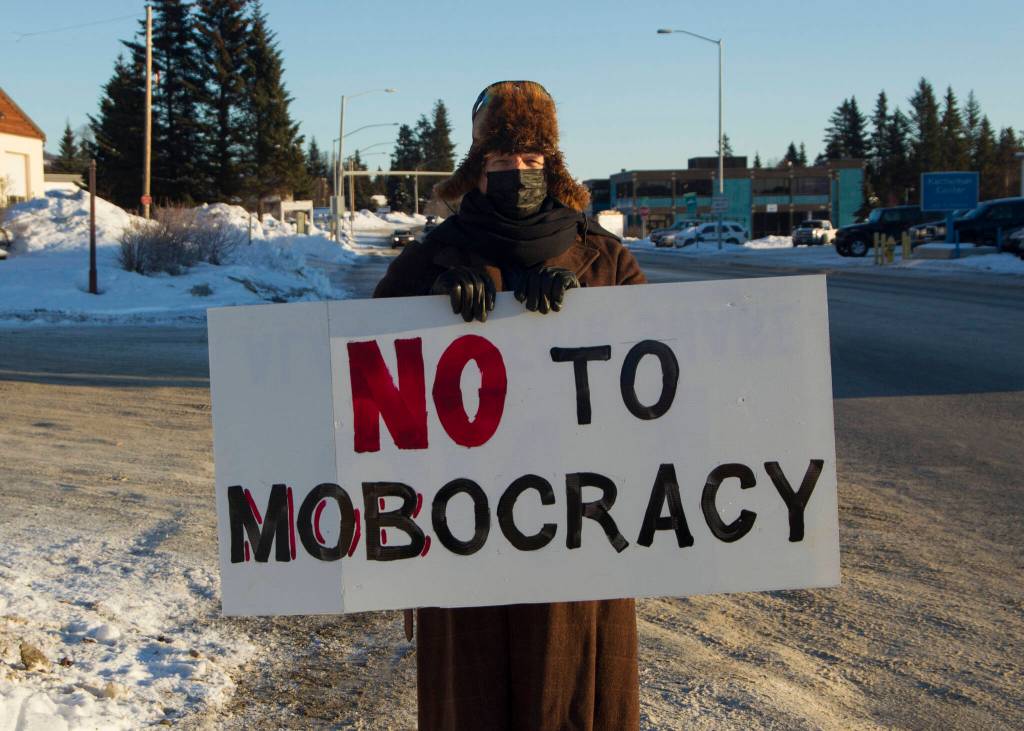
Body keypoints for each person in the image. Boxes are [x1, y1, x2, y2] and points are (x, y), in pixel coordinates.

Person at [374, 80, 645, 731]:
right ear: (478, 164)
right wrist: (430, 302)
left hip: (578, 530)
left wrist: (587, 305)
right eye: (501, 158)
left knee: (570, 697)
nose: (517, 170)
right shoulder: (432, 256)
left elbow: (657, 371)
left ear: (551, 161)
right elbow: (370, 364)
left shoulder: (602, 255)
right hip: (464, 526)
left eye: (530, 157)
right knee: (471, 701)